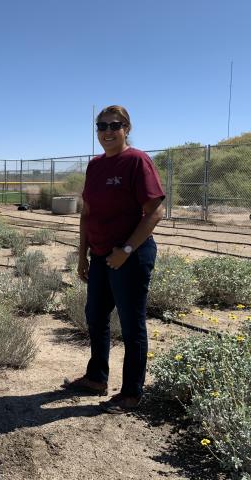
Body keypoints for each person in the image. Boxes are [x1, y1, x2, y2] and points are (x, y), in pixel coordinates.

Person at [62, 105, 165, 414]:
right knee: (95, 315)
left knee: (132, 325)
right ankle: (97, 377)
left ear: (126, 128)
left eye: (114, 125)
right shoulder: (95, 166)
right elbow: (87, 213)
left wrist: (127, 251)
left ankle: (131, 393)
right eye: (101, 126)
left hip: (130, 256)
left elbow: (155, 212)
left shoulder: (137, 161)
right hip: (101, 255)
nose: (107, 131)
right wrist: (83, 255)